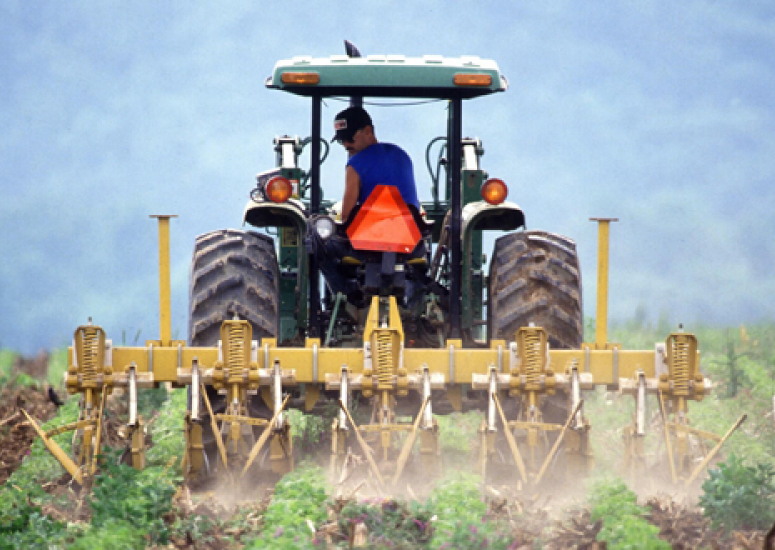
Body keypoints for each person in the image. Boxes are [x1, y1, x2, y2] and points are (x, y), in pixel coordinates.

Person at [307, 106, 423, 302]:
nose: (345, 144)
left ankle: (346, 295)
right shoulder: (402, 156)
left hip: (367, 248)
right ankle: (414, 301)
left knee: (316, 240)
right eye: (341, 139)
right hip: (410, 244)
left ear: (368, 131)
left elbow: (346, 216)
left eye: (349, 138)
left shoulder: (355, 164)